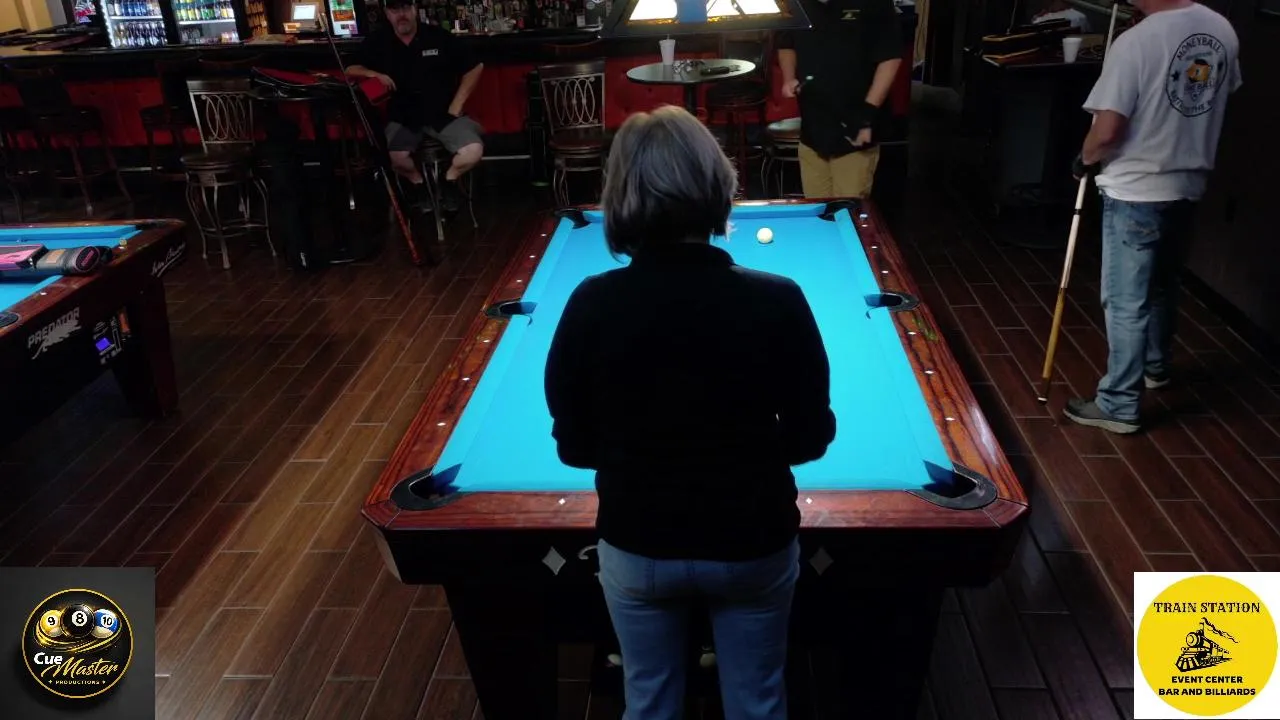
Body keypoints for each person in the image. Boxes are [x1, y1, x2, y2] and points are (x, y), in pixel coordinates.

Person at [543, 105, 836, 719]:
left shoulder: (591, 303)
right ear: (716, 187)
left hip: (637, 542)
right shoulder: (779, 300)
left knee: (648, 700)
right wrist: (745, 454)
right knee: (758, 702)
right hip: (754, 540)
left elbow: (573, 446)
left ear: (621, 196)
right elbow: (810, 438)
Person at [1064, 0, 1240, 434]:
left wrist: (1085, 158)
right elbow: (1216, 96)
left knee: (1126, 301)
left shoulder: (1135, 42)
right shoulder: (1221, 29)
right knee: (1163, 284)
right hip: (1188, 182)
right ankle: (1156, 367)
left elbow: (1108, 130)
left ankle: (1119, 405)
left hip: (1136, 188)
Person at [346, 0, 484, 213]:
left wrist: (457, 105)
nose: (401, 14)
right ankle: (420, 186)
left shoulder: (438, 36)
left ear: (415, 9)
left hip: (444, 113)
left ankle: (448, 181)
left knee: (473, 151)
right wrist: (373, 74)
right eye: (395, 9)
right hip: (404, 116)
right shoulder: (378, 41)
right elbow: (350, 69)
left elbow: (475, 67)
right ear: (387, 13)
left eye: (405, 8)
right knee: (397, 159)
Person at [775, 0, 903, 199]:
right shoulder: (794, 3)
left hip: (854, 130)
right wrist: (789, 77)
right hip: (812, 129)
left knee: (847, 210)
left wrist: (867, 114)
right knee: (817, 209)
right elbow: (786, 43)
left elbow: (890, 58)